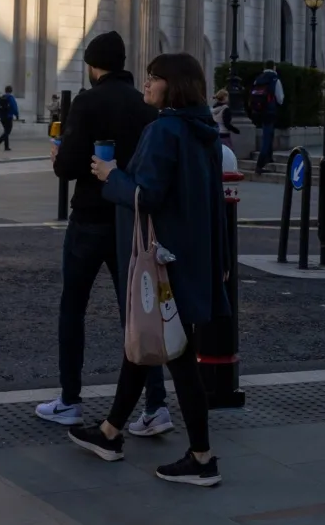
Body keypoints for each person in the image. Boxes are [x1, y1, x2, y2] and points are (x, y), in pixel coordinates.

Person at [70, 51, 231, 487]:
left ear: (172, 85)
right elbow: (214, 203)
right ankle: (110, 433)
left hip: (162, 261)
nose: (146, 84)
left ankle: (201, 458)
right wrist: (221, 263)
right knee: (145, 344)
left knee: (174, 355)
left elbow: (148, 195)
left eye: (154, 78)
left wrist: (110, 175)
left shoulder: (164, 131)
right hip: (193, 256)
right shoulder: (206, 132)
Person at [37, 33, 170, 434]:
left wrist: (60, 157)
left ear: (94, 66)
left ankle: (70, 400)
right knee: (137, 312)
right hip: (131, 220)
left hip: (90, 217)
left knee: (73, 307)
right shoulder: (145, 106)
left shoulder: (87, 102)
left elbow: (72, 166)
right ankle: (156, 404)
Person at [249, 61, 283, 174]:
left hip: (258, 111)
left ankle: (269, 156)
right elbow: (280, 98)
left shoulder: (258, 79)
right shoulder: (274, 79)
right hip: (270, 111)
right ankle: (260, 164)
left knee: (268, 133)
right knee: (267, 136)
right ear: (274, 67)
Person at [0, 85, 19, 151]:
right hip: (9, 117)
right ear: (11, 91)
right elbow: (14, 107)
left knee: (5, 131)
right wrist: (17, 115)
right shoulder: (11, 98)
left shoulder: (1, 97)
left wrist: (0, 115)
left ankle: (6, 147)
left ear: (5, 90)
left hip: (2, 117)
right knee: (8, 131)